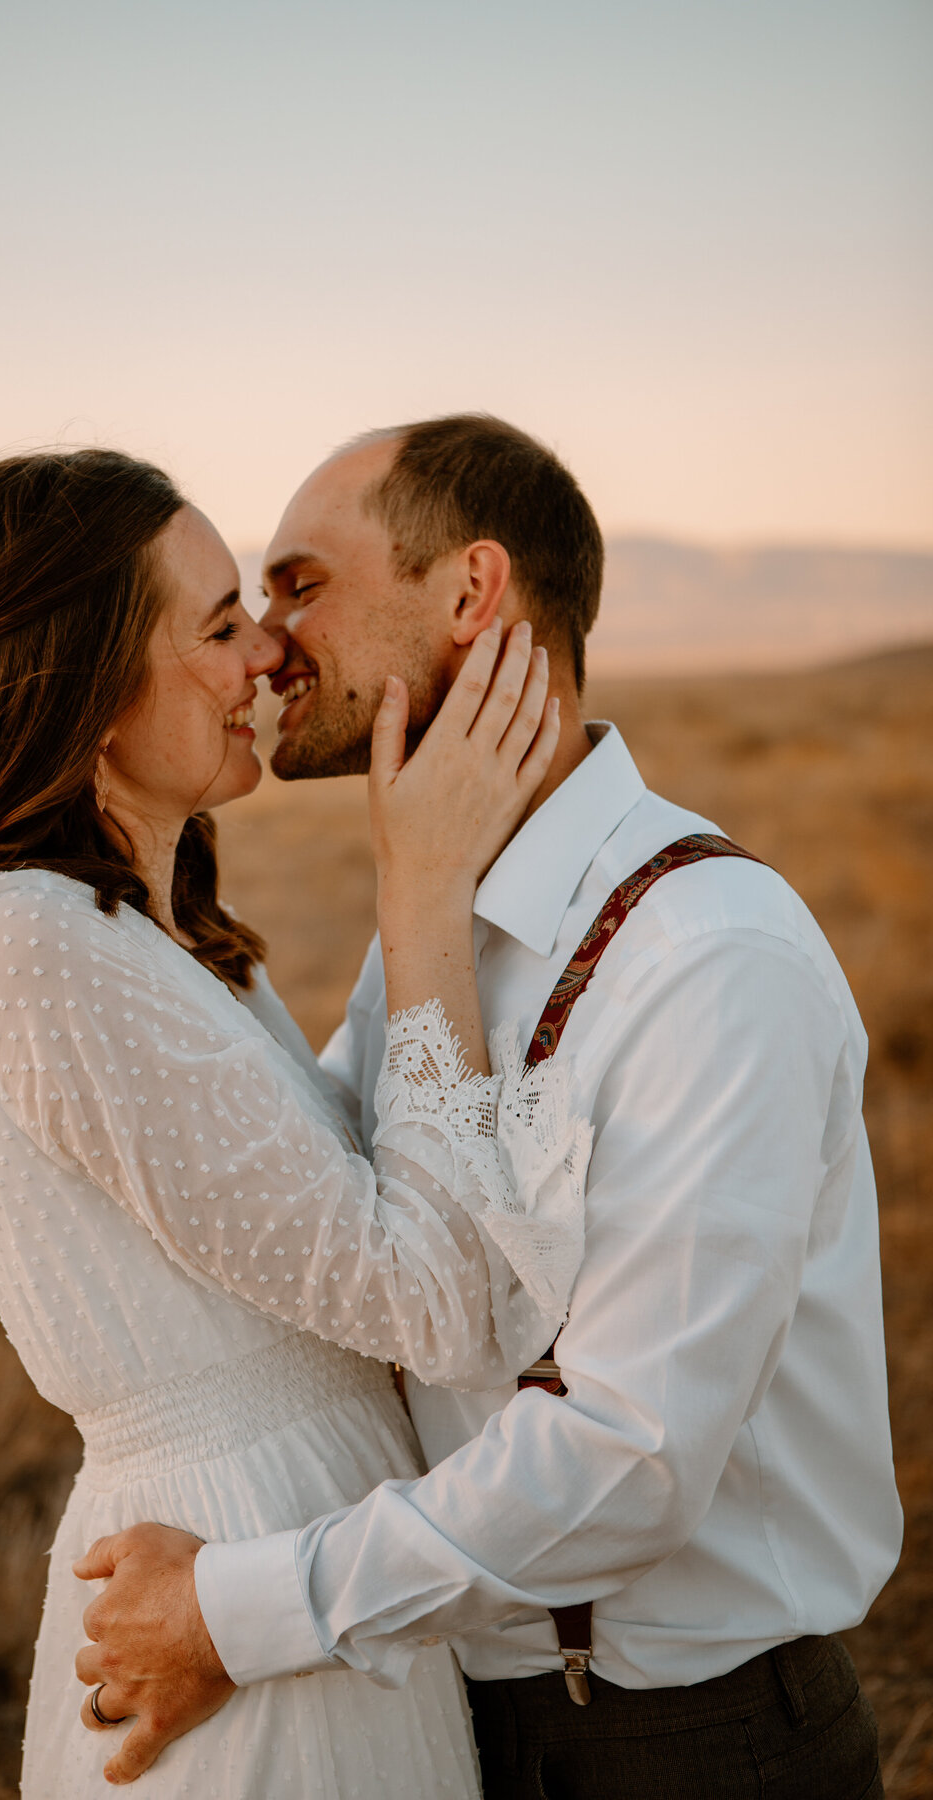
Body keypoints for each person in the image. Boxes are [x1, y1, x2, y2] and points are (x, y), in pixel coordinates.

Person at [73, 416, 903, 1798]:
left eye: (300, 584)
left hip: (672, 1746)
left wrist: (235, 1610)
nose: (269, 644)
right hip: (436, 1710)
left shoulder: (707, 956)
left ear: (470, 595)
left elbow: (626, 1458)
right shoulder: (436, 925)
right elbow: (358, 1251)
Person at [0, 446, 589, 1800]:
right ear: (84, 682)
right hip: (227, 1578)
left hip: (288, 1562)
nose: (268, 663)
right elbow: (435, 1301)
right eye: (221, 624)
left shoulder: (162, 943)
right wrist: (423, 892)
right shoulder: (33, 946)